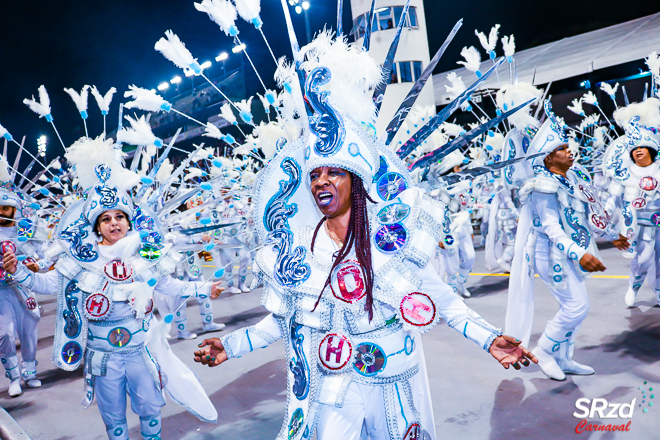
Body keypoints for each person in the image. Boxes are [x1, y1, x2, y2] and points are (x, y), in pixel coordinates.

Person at [193, 36, 537, 439]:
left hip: (394, 381)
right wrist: (230, 346)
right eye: (315, 175)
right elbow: (287, 321)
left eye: (333, 172)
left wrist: (489, 338)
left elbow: (443, 301)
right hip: (333, 386)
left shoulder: (392, 240)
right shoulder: (300, 248)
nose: (322, 181)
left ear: (356, 182)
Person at [3, 136, 220, 440]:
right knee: (114, 420)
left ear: (129, 223)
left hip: (140, 352)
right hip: (102, 356)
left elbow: (171, 285)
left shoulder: (145, 258)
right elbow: (47, 284)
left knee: (150, 413)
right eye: (105, 219)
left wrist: (203, 289)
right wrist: (19, 271)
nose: (114, 222)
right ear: (96, 227)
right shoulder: (79, 260)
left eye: (120, 216)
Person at [505, 102, 629, 381]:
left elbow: (584, 217)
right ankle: (545, 351)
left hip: (573, 251)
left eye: (566, 146)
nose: (568, 151)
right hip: (550, 254)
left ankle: (564, 357)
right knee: (576, 306)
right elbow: (550, 228)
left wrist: (612, 236)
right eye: (561, 149)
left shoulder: (572, 178)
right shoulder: (542, 186)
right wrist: (579, 254)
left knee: (576, 306)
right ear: (548, 158)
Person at [602, 98, 660, 307]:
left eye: (643, 148)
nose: (638, 151)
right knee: (643, 260)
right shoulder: (625, 176)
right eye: (634, 149)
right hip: (642, 227)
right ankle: (634, 287)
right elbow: (612, 199)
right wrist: (605, 215)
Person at [0, 177, 49, 397]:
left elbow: (44, 257)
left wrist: (35, 265)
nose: (2, 212)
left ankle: (29, 372)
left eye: (6, 208)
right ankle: (13, 377)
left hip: (23, 288)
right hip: (1, 293)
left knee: (29, 330)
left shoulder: (29, 230)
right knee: (5, 335)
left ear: (15, 209)